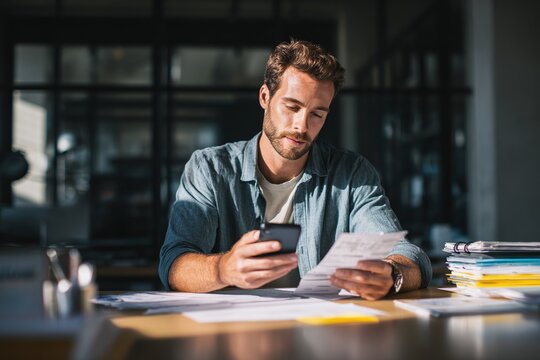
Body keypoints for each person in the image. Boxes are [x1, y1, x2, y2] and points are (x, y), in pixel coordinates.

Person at [159, 39, 431, 300]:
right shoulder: (209, 169)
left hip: (322, 332)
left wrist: (392, 274)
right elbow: (174, 264)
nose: (302, 126)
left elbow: (406, 253)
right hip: (234, 330)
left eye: (317, 114)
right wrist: (223, 269)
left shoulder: (352, 174)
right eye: (292, 107)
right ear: (265, 96)